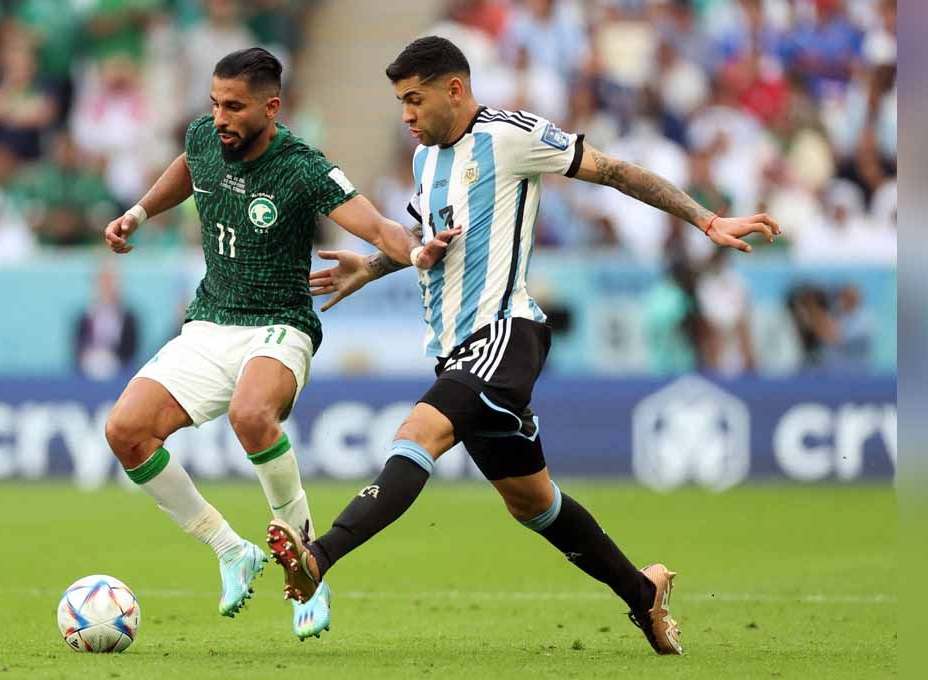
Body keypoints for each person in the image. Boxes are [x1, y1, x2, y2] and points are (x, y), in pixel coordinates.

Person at [264, 36, 780, 656]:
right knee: (534, 504)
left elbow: (615, 171)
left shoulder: (511, 135)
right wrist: (370, 269)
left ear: (454, 90)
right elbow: (433, 245)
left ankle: (317, 560)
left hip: (505, 331)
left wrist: (705, 219)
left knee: (416, 434)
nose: (405, 115)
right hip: (456, 348)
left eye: (413, 99)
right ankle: (644, 595)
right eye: (400, 101)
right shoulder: (426, 161)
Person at [99, 48, 429, 641]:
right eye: (214, 104)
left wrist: (417, 252)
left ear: (271, 107)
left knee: (251, 416)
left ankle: (307, 570)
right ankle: (231, 550)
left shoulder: (302, 168)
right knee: (124, 431)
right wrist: (140, 211)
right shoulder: (206, 137)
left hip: (280, 324)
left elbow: (379, 227)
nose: (219, 117)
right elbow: (188, 164)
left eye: (234, 106)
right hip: (209, 323)